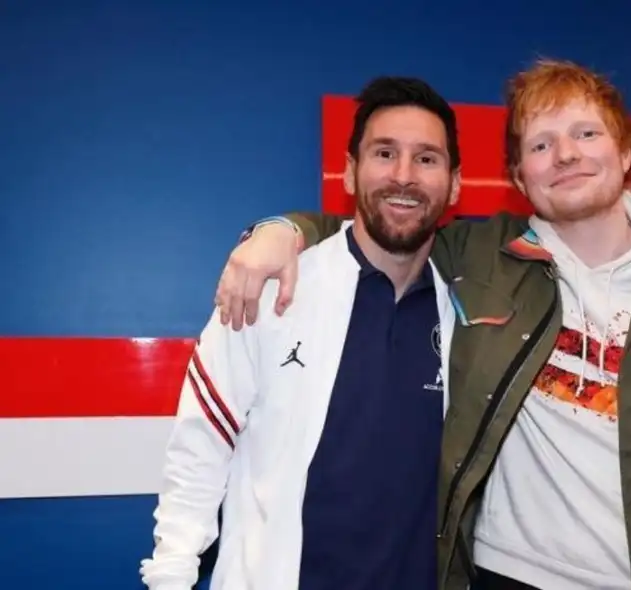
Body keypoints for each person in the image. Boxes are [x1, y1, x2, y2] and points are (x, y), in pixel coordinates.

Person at [218, 59, 631, 590]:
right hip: (500, 574)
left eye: (585, 134)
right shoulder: (481, 253)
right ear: (519, 177)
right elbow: (378, 226)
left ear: (625, 151)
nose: (565, 155)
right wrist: (280, 230)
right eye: (541, 145)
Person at [139, 76, 461, 590]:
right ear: (350, 171)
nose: (403, 175)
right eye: (384, 153)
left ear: (454, 183)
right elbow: (200, 447)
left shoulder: (466, 310)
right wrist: (171, 576)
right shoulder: (269, 287)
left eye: (426, 158)